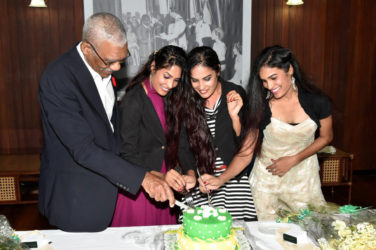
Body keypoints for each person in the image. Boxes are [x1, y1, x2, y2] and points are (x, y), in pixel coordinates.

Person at [38, 12, 175, 232]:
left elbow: (109, 133)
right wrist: (142, 178)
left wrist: (146, 169)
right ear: (87, 49)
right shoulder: (58, 78)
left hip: (106, 196)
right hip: (76, 199)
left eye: (122, 60)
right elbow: (83, 149)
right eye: (111, 62)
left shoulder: (101, 65)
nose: (117, 69)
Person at [202, 45, 333, 220]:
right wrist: (220, 179)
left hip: (303, 178)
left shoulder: (318, 101)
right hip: (266, 181)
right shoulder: (262, 106)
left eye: (273, 78)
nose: (269, 86)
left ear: (290, 70)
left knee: (309, 231)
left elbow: (327, 137)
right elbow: (246, 152)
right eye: (264, 81)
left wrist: (294, 159)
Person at [111, 46, 196, 226]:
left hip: (165, 184)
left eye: (176, 80)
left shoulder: (172, 97)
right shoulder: (133, 101)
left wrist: (190, 172)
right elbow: (126, 153)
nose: (170, 84)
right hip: (141, 185)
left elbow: (181, 142)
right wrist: (158, 176)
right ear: (153, 67)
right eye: (166, 76)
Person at [178, 46, 257, 221]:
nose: (201, 87)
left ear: (218, 70)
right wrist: (191, 174)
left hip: (234, 179)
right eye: (195, 80)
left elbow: (245, 147)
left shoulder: (235, 94)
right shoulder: (186, 100)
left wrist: (235, 117)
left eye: (207, 79)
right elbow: (183, 146)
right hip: (203, 182)